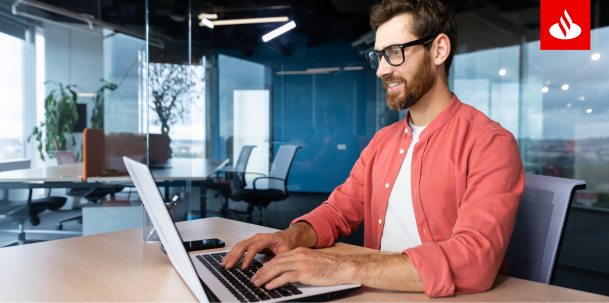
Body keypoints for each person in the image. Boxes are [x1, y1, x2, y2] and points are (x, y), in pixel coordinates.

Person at [221, 0, 525, 297]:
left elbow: (475, 259)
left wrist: (343, 267)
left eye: (394, 52)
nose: (380, 70)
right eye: (378, 56)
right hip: (376, 290)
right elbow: (339, 210)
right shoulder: (383, 141)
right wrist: (289, 237)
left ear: (439, 50)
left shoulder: (490, 142)